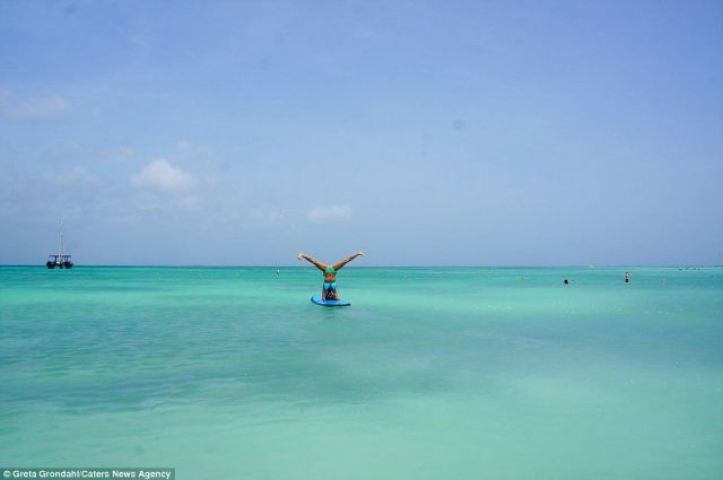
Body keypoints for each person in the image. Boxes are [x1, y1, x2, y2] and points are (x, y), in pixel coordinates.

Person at [297, 251, 364, 300]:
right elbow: (337, 298)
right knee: (345, 261)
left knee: (315, 262)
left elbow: (323, 298)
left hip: (326, 270)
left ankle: (302, 254)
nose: (331, 295)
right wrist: (336, 299)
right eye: (332, 296)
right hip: (333, 273)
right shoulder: (334, 291)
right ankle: (357, 254)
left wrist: (325, 298)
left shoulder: (325, 291)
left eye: (330, 296)